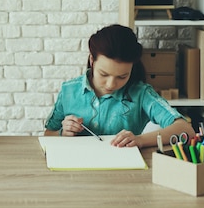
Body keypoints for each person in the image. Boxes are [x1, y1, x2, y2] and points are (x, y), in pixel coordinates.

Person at [44, 24, 195, 148]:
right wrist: (62, 133)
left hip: (123, 173)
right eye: (103, 74)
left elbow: (185, 130)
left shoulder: (141, 93)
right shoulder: (69, 90)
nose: (111, 84)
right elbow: (48, 134)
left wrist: (140, 140)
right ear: (92, 60)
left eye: (122, 76)